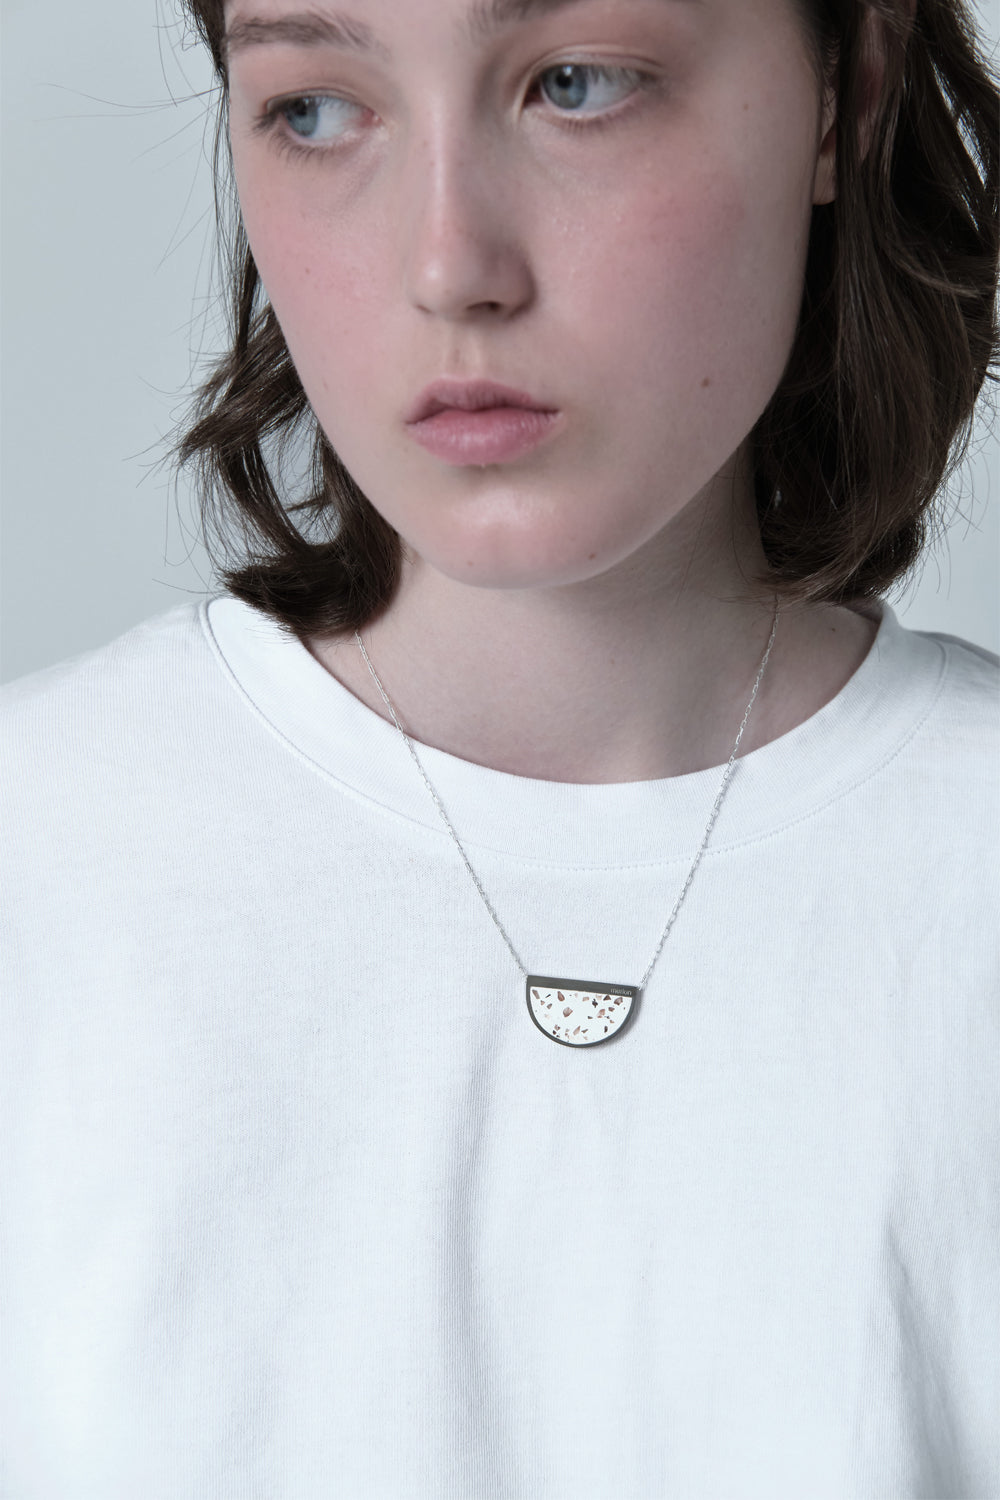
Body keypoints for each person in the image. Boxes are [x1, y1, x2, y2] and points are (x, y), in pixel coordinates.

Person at [2, 0, 998, 1493]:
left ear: (843, 96)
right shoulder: (37, 866)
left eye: (576, 85)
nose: (450, 265)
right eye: (316, 110)